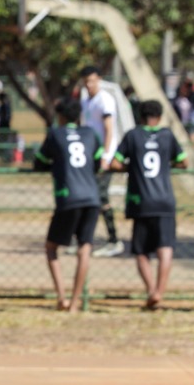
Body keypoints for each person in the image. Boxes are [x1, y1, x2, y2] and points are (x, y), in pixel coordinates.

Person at [111, 99, 188, 311]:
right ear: (160, 117)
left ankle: (151, 289)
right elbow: (184, 161)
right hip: (165, 201)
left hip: (141, 201)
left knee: (141, 251)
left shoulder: (133, 135)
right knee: (165, 248)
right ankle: (159, 292)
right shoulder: (167, 135)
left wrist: (131, 167)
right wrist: (169, 165)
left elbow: (115, 163)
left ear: (140, 116)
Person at [34, 96, 102, 313]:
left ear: (61, 117)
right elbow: (98, 163)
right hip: (92, 198)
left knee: (51, 247)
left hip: (68, 197)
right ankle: (75, 302)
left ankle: (61, 297)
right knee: (85, 248)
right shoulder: (90, 134)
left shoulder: (55, 134)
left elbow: (39, 162)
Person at [78, 66, 122, 257]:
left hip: (104, 157)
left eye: (92, 80)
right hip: (90, 155)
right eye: (86, 81)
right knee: (88, 197)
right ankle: (83, 238)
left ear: (99, 80)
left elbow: (109, 129)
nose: (89, 85)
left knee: (101, 197)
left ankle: (114, 240)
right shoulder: (86, 101)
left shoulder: (105, 99)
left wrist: (105, 155)